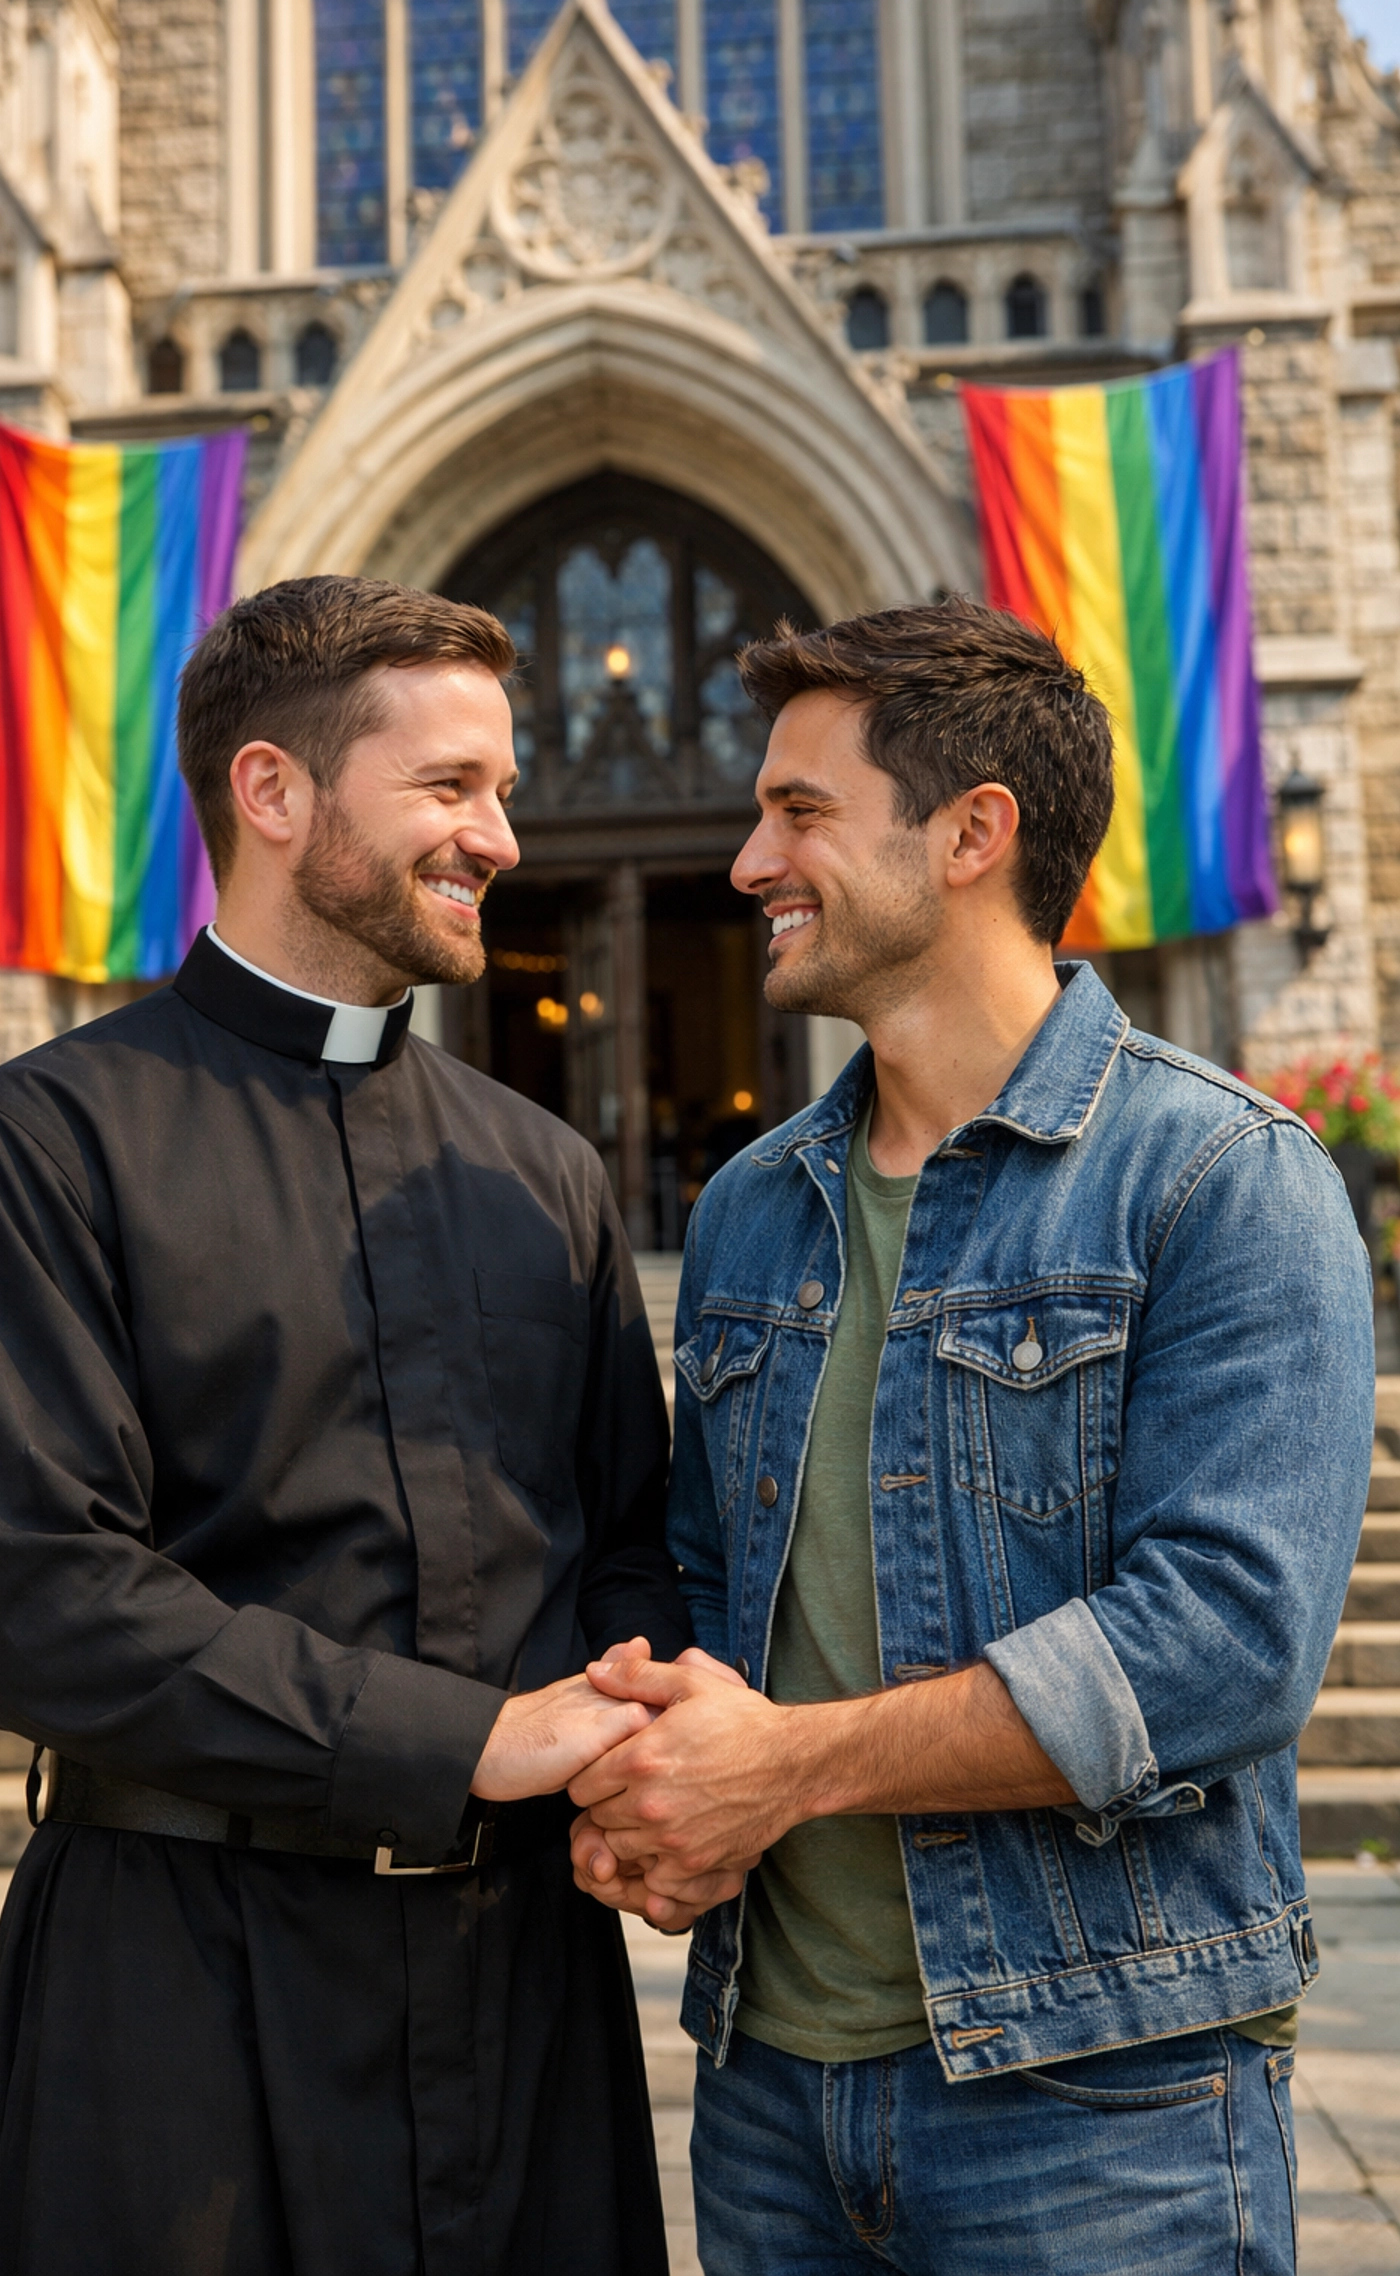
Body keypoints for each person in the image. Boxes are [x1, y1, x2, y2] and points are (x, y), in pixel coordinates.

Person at [0, 576, 690, 2276]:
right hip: (172, 1998)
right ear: (274, 793)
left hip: (522, 2000)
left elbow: (627, 1534)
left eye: (505, 787)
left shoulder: (538, 1168)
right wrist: (465, 1738)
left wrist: (635, 1730)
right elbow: (49, 1606)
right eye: (453, 786)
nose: (505, 837)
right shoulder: (39, 1146)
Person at [568, 599, 1374, 2274]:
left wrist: (779, 1767)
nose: (746, 863)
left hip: (1105, 2106)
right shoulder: (746, 1214)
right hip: (772, 2096)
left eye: (798, 813)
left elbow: (1219, 1648)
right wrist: (660, 1783)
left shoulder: (1223, 1180)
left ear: (970, 835)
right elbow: (718, 1593)